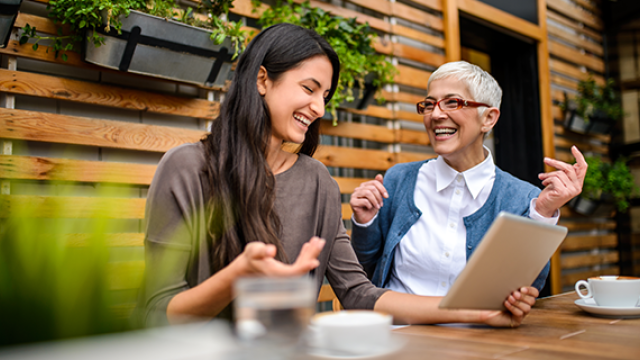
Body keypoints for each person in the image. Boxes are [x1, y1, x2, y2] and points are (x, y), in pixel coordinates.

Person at [137, 26, 537, 329]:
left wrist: (479, 311)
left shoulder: (317, 182)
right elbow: (158, 312)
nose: (318, 108)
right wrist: (238, 275)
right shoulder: (187, 168)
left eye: (324, 96)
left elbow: (359, 294)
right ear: (262, 80)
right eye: (309, 89)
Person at [349, 61, 586, 302]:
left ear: (489, 118)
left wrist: (543, 213)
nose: (437, 114)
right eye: (429, 104)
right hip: (398, 332)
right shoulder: (399, 179)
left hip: (475, 336)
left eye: (453, 102)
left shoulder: (522, 198)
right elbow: (364, 273)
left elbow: (524, 290)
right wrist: (365, 222)